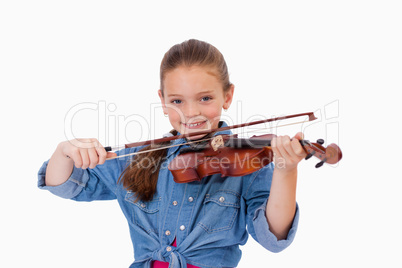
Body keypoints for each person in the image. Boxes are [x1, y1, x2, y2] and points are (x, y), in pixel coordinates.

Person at [38, 39, 307, 268]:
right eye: (177, 101)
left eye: (205, 98)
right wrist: (65, 152)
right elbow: (64, 186)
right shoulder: (139, 158)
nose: (191, 113)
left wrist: (286, 170)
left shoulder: (248, 162)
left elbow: (274, 238)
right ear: (163, 101)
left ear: (227, 95)